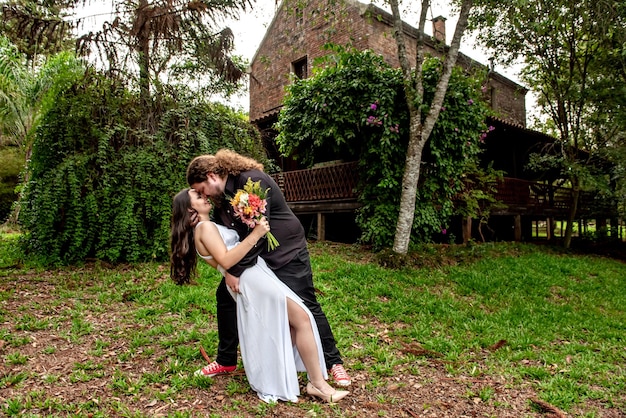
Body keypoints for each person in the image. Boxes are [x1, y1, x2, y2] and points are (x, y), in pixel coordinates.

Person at [186, 149, 351, 387]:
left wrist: (234, 271)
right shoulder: (221, 200)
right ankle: (226, 360)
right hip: (257, 259)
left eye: (202, 190)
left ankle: (333, 362)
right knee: (225, 296)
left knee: (306, 304)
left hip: (286, 252)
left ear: (211, 176)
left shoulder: (251, 181)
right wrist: (201, 224)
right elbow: (231, 237)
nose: (204, 196)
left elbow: (261, 232)